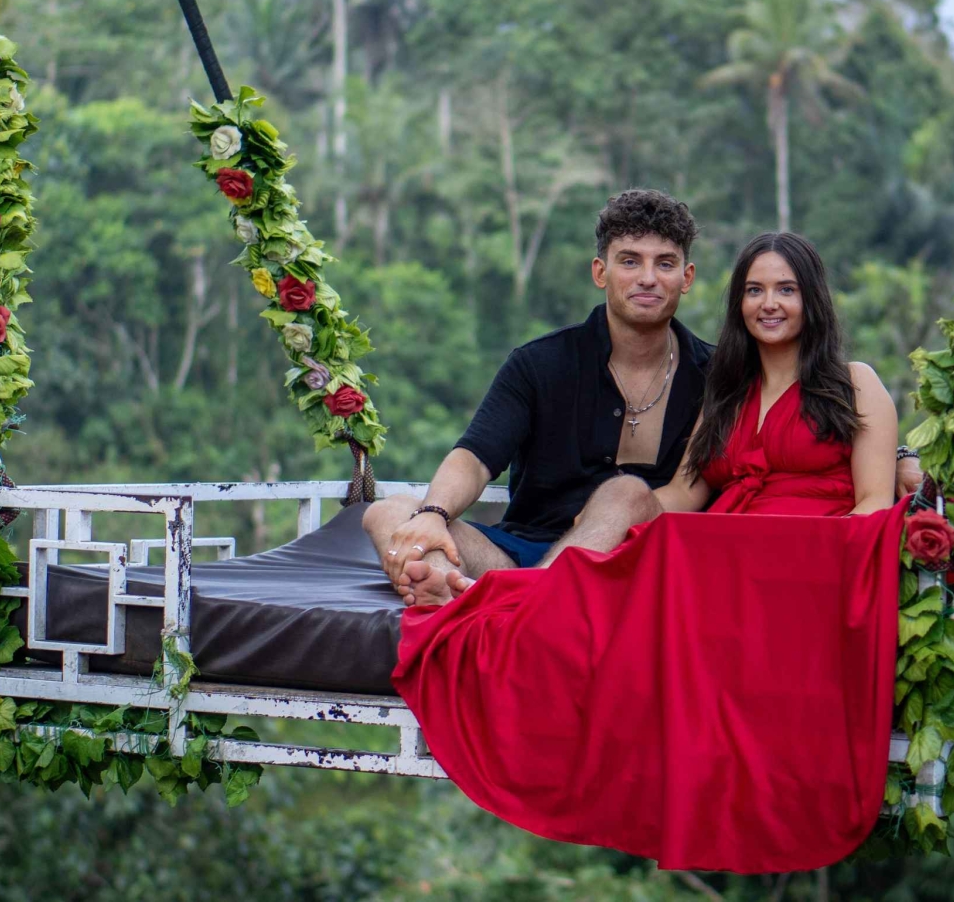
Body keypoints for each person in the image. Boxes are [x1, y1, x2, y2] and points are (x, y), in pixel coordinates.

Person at [388, 230, 914, 873]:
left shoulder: (854, 382)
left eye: (786, 289)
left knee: (668, 536)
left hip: (804, 559)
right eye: (754, 290)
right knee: (630, 520)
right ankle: (525, 599)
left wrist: (877, 490)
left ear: (813, 300)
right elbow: (685, 492)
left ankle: (518, 603)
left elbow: (872, 504)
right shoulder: (726, 390)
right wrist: (614, 518)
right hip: (714, 550)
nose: (769, 303)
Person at [362, 189, 921, 605]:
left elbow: (805, 416)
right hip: (519, 555)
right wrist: (433, 514)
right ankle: (511, 597)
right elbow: (474, 456)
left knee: (627, 491)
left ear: (687, 278)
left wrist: (896, 454)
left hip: (630, 562)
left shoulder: (716, 376)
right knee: (387, 512)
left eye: (665, 264)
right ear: (601, 271)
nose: (648, 278)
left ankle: (485, 600)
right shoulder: (541, 362)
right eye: (630, 261)